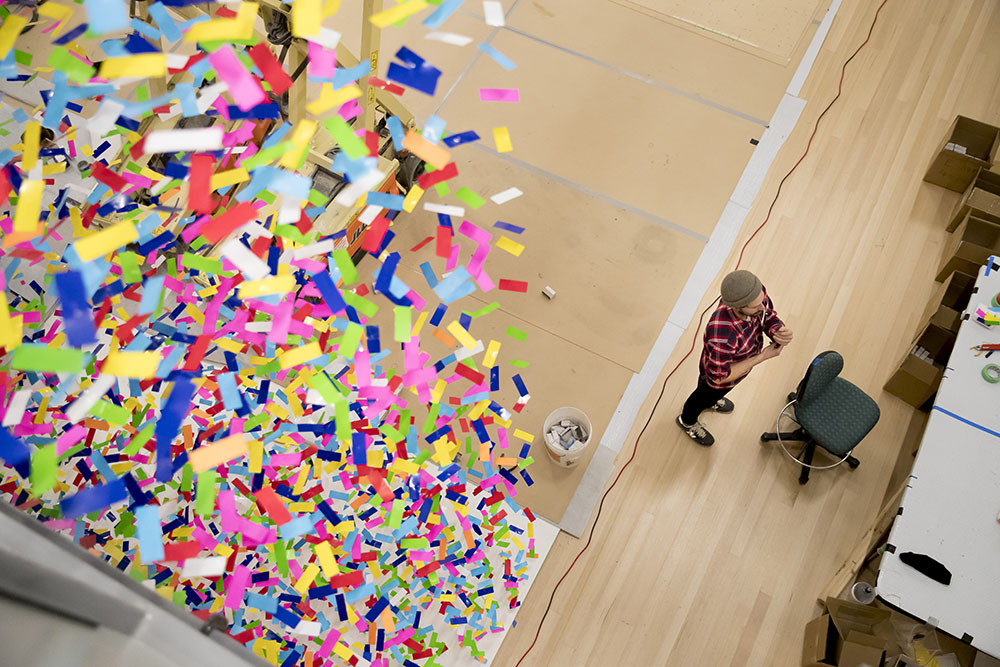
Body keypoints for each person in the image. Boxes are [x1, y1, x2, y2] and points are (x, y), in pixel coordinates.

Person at [677, 270, 793, 446]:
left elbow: (767, 314)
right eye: (756, 306)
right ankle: (687, 420)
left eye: (761, 300)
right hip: (718, 377)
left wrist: (777, 330)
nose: (762, 307)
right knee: (703, 396)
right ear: (737, 306)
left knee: (716, 395)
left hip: (738, 366)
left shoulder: (755, 295)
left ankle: (712, 401)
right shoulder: (722, 334)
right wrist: (762, 356)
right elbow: (719, 377)